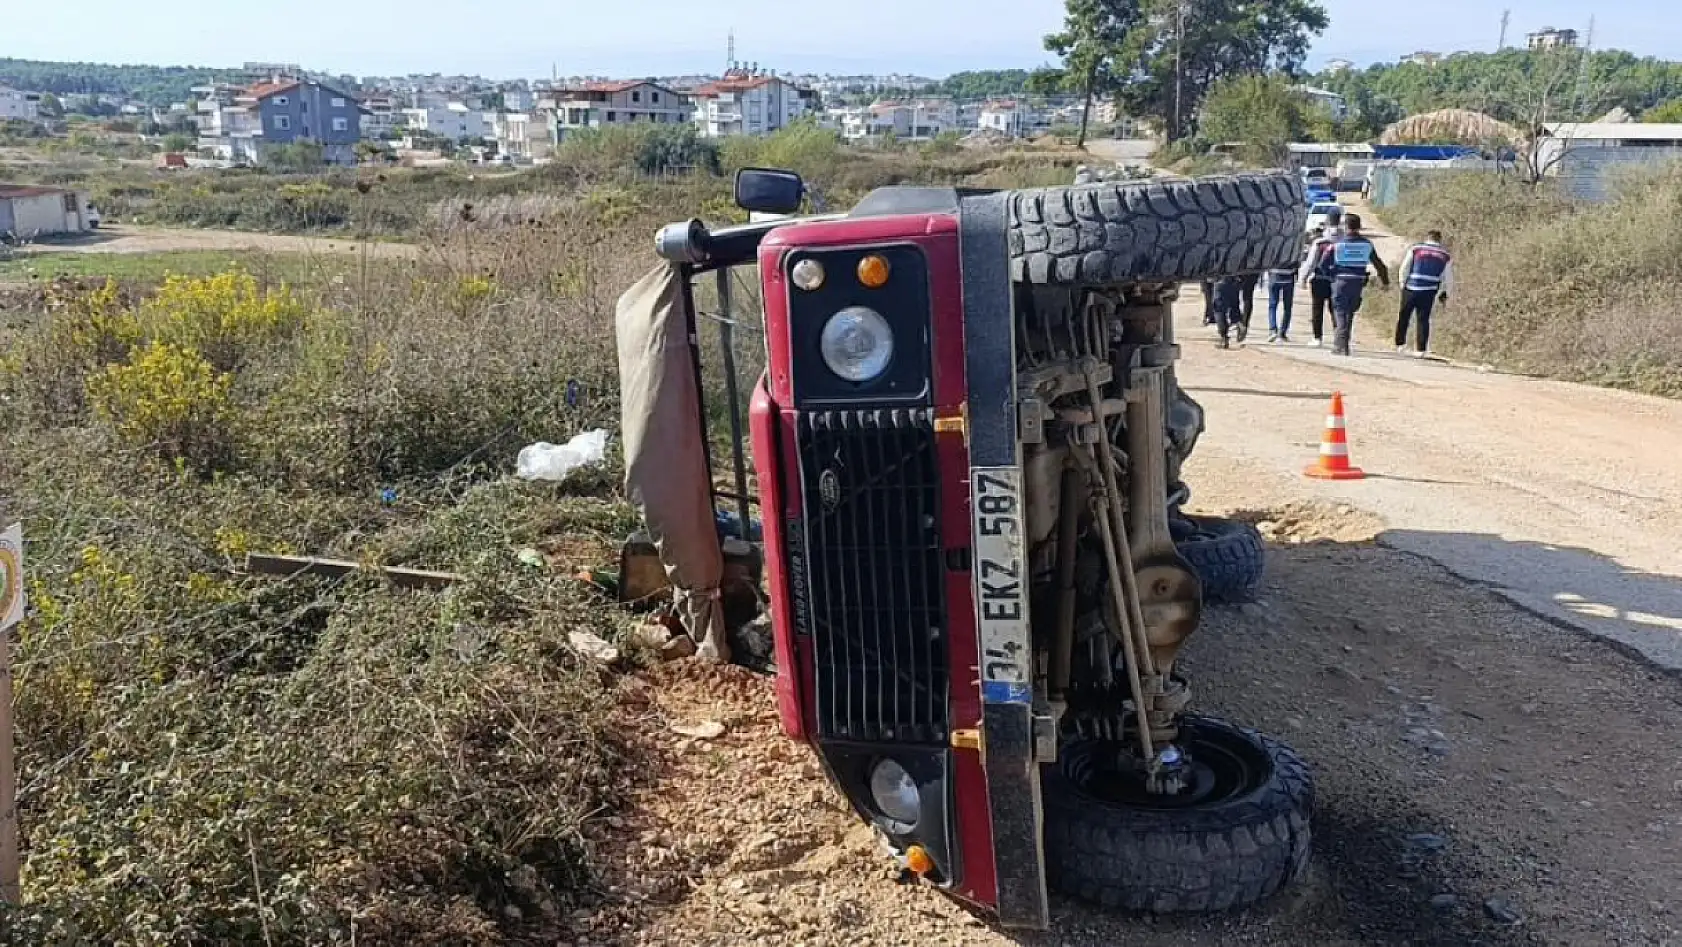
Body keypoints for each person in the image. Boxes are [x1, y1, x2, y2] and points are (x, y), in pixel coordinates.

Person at [1315, 212, 1390, 356]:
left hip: (1340, 281)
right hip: (1357, 282)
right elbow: (1379, 265)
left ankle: (1340, 346)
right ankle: (1343, 344)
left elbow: (1322, 264)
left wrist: (1331, 276)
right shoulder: (1367, 244)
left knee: (1340, 312)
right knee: (1349, 313)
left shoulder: (1337, 245)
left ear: (1345, 226)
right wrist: (1385, 282)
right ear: (1359, 227)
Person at [1395, 229, 1453, 358]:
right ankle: (1421, 349)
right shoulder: (1445, 255)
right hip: (1429, 290)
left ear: (1427, 238)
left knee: (1404, 316)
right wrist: (1446, 292)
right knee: (1423, 319)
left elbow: (1405, 267)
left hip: (1411, 287)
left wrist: (1402, 283)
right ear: (1439, 239)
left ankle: (1400, 344)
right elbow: (1448, 277)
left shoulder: (1416, 249)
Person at [1298, 225, 1336, 347]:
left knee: (1317, 309)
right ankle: (1338, 337)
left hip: (1319, 279)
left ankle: (1317, 338)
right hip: (1336, 281)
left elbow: (1311, 263)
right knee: (1335, 310)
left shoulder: (1320, 243)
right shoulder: (1342, 241)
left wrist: (1303, 278)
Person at [1265, 259, 1296, 342]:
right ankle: (1282, 332)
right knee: (1287, 307)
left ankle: (1273, 330)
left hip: (1274, 274)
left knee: (1272, 305)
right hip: (1289, 275)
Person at [1211, 276, 1243, 348]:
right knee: (1234, 306)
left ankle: (1224, 336)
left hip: (1221, 281)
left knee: (1219, 310)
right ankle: (1239, 323)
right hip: (1235, 282)